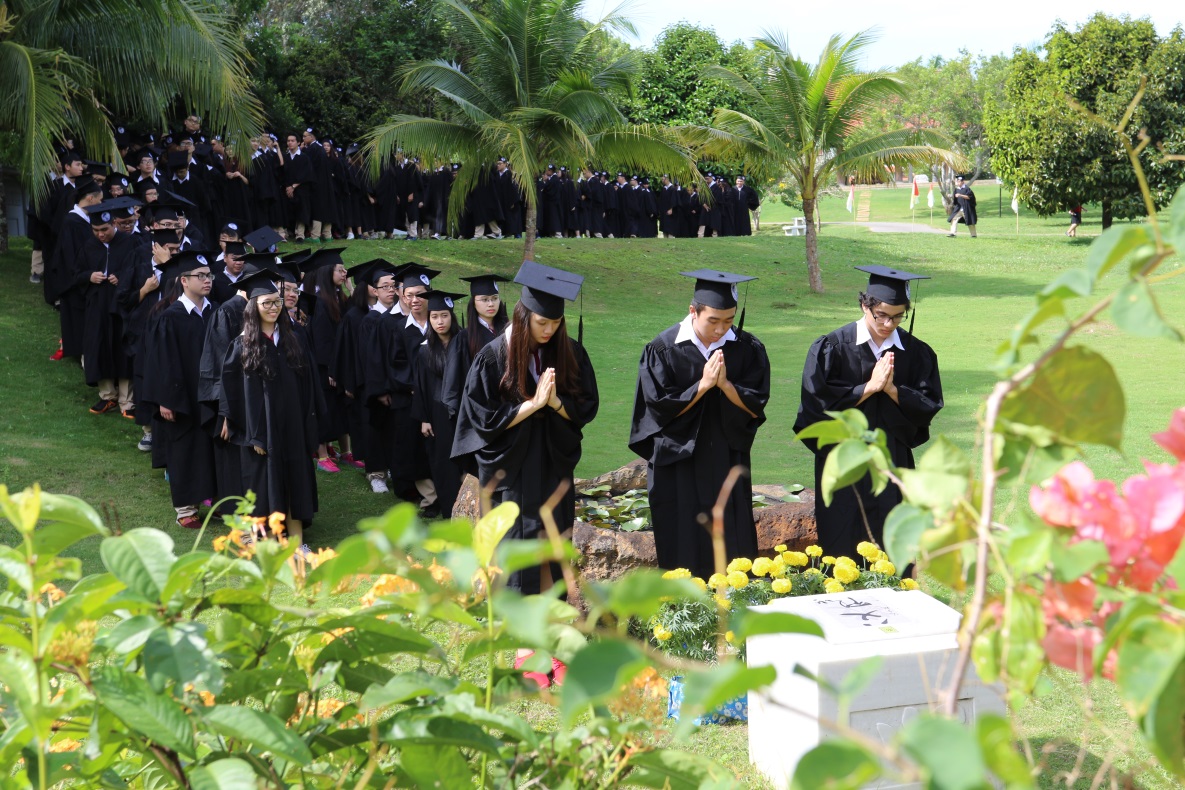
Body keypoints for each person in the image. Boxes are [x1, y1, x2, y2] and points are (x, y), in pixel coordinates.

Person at [452, 261, 598, 688]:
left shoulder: (568, 352)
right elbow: (481, 419)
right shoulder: (493, 356)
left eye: (555, 321)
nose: (549, 330)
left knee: (553, 552)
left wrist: (552, 406)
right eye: (542, 322)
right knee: (518, 562)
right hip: (512, 475)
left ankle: (556, 646)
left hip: (552, 470)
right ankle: (526, 653)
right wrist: (530, 407)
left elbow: (584, 407)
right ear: (523, 315)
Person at [794, 266, 944, 561]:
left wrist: (892, 391)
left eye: (898, 316)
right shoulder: (832, 348)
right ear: (865, 305)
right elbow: (814, 405)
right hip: (843, 462)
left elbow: (929, 405)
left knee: (893, 542)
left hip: (892, 460)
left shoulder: (916, 352)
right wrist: (868, 388)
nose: (889, 323)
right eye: (882, 315)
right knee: (842, 540)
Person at [629, 270, 770, 579]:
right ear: (693, 311)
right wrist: (702, 386)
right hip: (678, 461)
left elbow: (756, 402)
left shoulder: (747, 348)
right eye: (713, 321)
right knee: (682, 538)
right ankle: (684, 613)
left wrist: (726, 386)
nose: (721, 329)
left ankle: (735, 606)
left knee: (730, 537)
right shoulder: (662, 349)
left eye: (729, 321)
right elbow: (657, 408)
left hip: (725, 457)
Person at [218, 269, 324, 548]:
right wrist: (254, 435)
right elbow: (234, 395)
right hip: (262, 433)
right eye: (267, 302)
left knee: (296, 481)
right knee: (262, 486)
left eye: (277, 302)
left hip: (293, 426)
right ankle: (262, 543)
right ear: (253, 307)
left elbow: (309, 385)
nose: (274, 307)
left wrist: (308, 424)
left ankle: (297, 544)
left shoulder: (294, 340)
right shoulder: (242, 345)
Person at [140, 250, 220, 529]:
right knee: (185, 449)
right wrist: (165, 400)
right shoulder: (171, 317)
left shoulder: (216, 311)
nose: (207, 280)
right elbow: (162, 361)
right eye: (201, 276)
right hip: (181, 396)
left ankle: (217, 500)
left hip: (213, 396)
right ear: (184, 281)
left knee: (213, 448)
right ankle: (186, 509)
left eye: (209, 275)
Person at [80, 200, 141, 416]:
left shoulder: (130, 242)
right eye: (96, 230)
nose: (100, 235)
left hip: (121, 304)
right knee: (98, 347)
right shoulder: (88, 245)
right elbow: (76, 273)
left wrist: (123, 277)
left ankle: (127, 401)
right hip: (97, 305)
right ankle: (107, 396)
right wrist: (89, 275)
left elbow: (137, 270)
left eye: (104, 229)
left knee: (122, 348)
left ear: (114, 224)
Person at [412, 290, 465, 517]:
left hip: (464, 410)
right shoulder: (425, 351)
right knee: (443, 462)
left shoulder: (465, 345)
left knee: (465, 460)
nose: (439, 321)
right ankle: (449, 509)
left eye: (444, 315)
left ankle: (469, 508)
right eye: (434, 317)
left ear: (452, 316)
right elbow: (420, 387)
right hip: (437, 413)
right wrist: (424, 418)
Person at [441, 274, 511, 420]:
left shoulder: (509, 332)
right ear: (474, 302)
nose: (491, 304)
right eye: (484, 300)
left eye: (494, 298)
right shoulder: (464, 338)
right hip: (478, 408)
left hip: (508, 405)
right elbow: (454, 379)